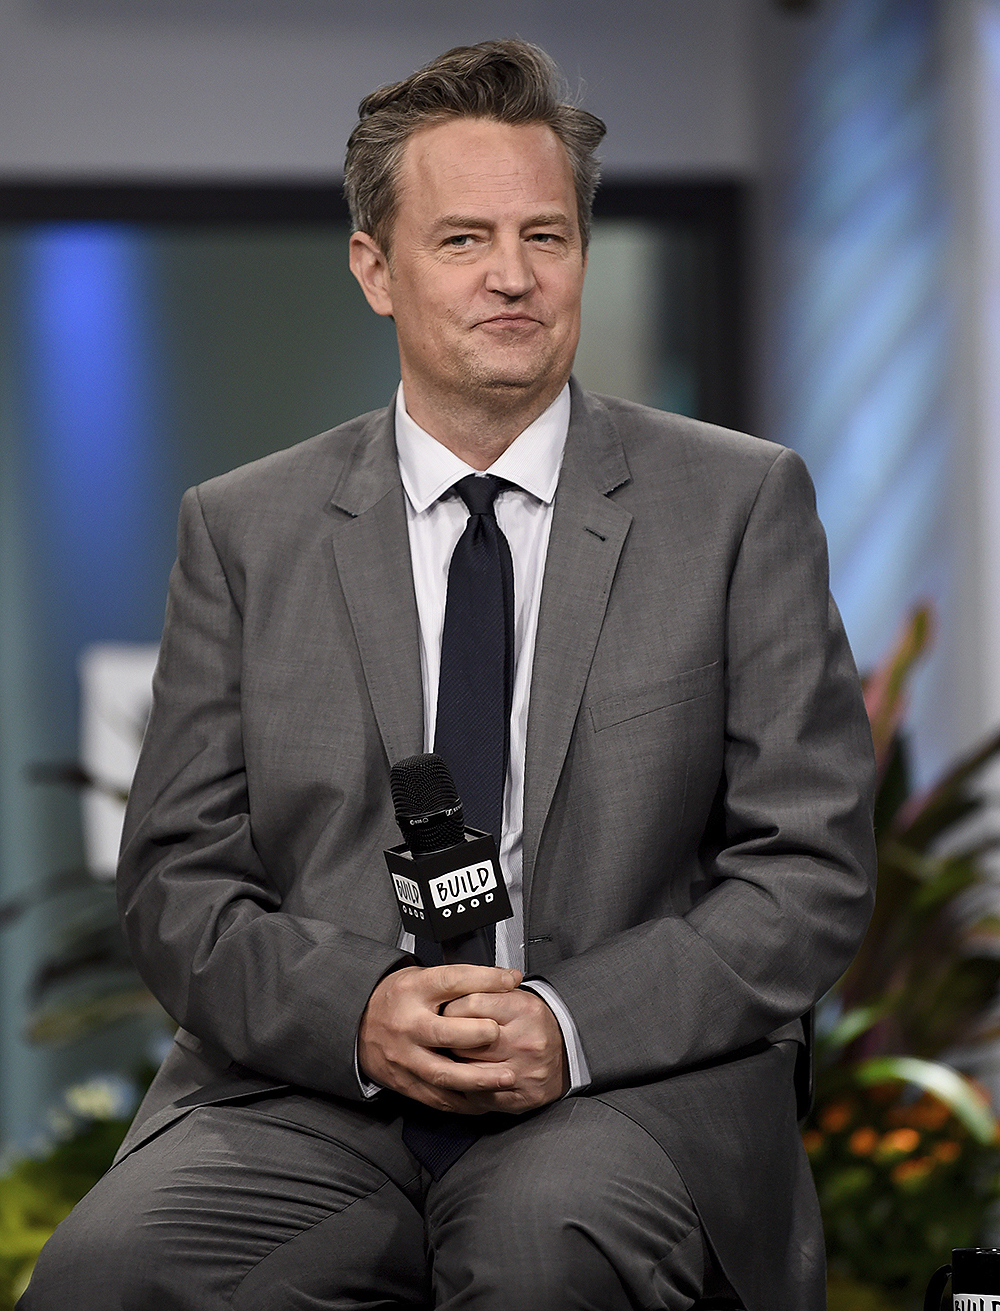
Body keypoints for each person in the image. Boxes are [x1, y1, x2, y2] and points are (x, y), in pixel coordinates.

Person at [20, 38, 876, 1311]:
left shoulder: (735, 502)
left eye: (547, 236)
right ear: (376, 268)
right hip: (317, 1092)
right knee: (106, 1275)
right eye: (464, 240)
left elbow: (806, 865)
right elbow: (179, 879)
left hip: (624, 1087)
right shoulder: (243, 526)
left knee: (539, 1247)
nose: (514, 279)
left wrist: (569, 1025)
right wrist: (359, 1011)